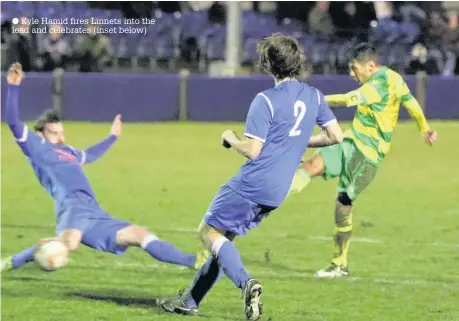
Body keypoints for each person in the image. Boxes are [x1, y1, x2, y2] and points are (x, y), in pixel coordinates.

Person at [157, 34, 344, 320]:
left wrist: (230, 138)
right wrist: (298, 142)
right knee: (225, 240)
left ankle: (248, 284)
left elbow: (253, 150)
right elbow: (335, 136)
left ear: (268, 65)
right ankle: (191, 300)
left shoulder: (266, 100)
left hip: (254, 182)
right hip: (279, 189)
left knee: (208, 232)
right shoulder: (314, 95)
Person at [1, 63, 207, 272]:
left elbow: (89, 155)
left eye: (62, 132)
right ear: (40, 134)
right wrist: (13, 86)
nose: (61, 137)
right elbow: (13, 121)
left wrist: (112, 137)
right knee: (66, 245)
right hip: (73, 207)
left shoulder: (69, 152)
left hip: (94, 211)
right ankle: (12, 261)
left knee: (139, 234)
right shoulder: (37, 148)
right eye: (55, 133)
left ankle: (195, 261)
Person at [289, 43, 438, 278]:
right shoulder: (395, 78)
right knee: (312, 165)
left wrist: (314, 100)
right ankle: (266, 199)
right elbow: (411, 103)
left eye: (354, 68)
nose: (351, 74)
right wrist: (425, 128)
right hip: (350, 141)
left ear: (370, 66)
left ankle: (340, 263)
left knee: (342, 205)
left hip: (368, 156)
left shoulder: (377, 85)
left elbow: (348, 99)